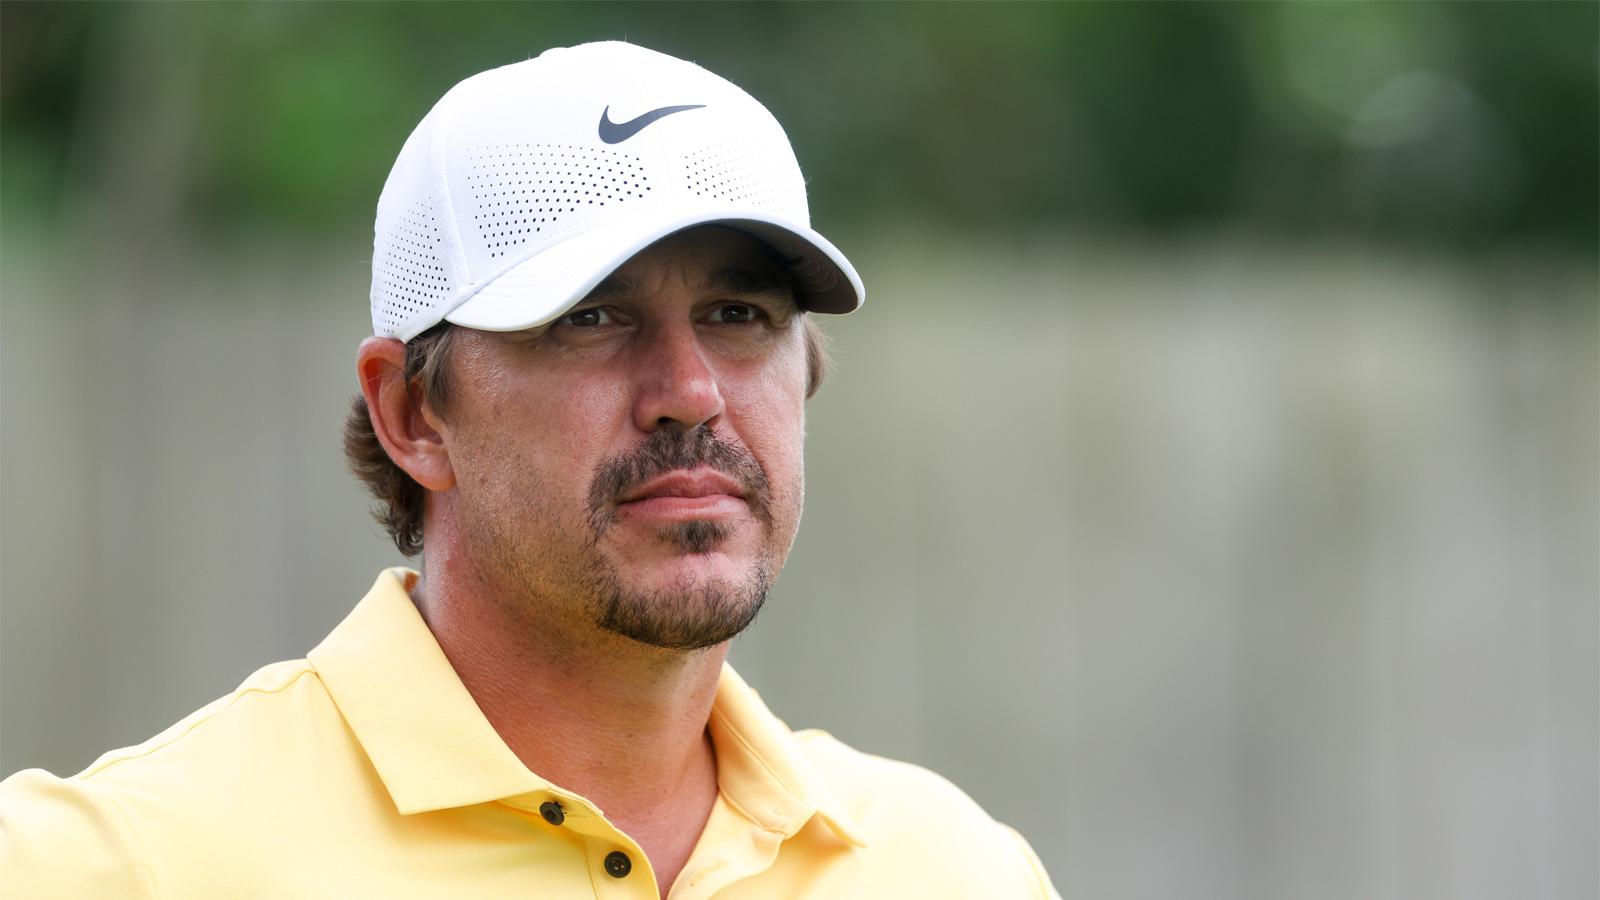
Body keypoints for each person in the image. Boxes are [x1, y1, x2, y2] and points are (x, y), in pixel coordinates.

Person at [0, 41, 1059, 899]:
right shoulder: (107, 868)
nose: (690, 390)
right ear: (412, 412)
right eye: (590, 318)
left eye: (738, 314)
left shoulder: (955, 871)